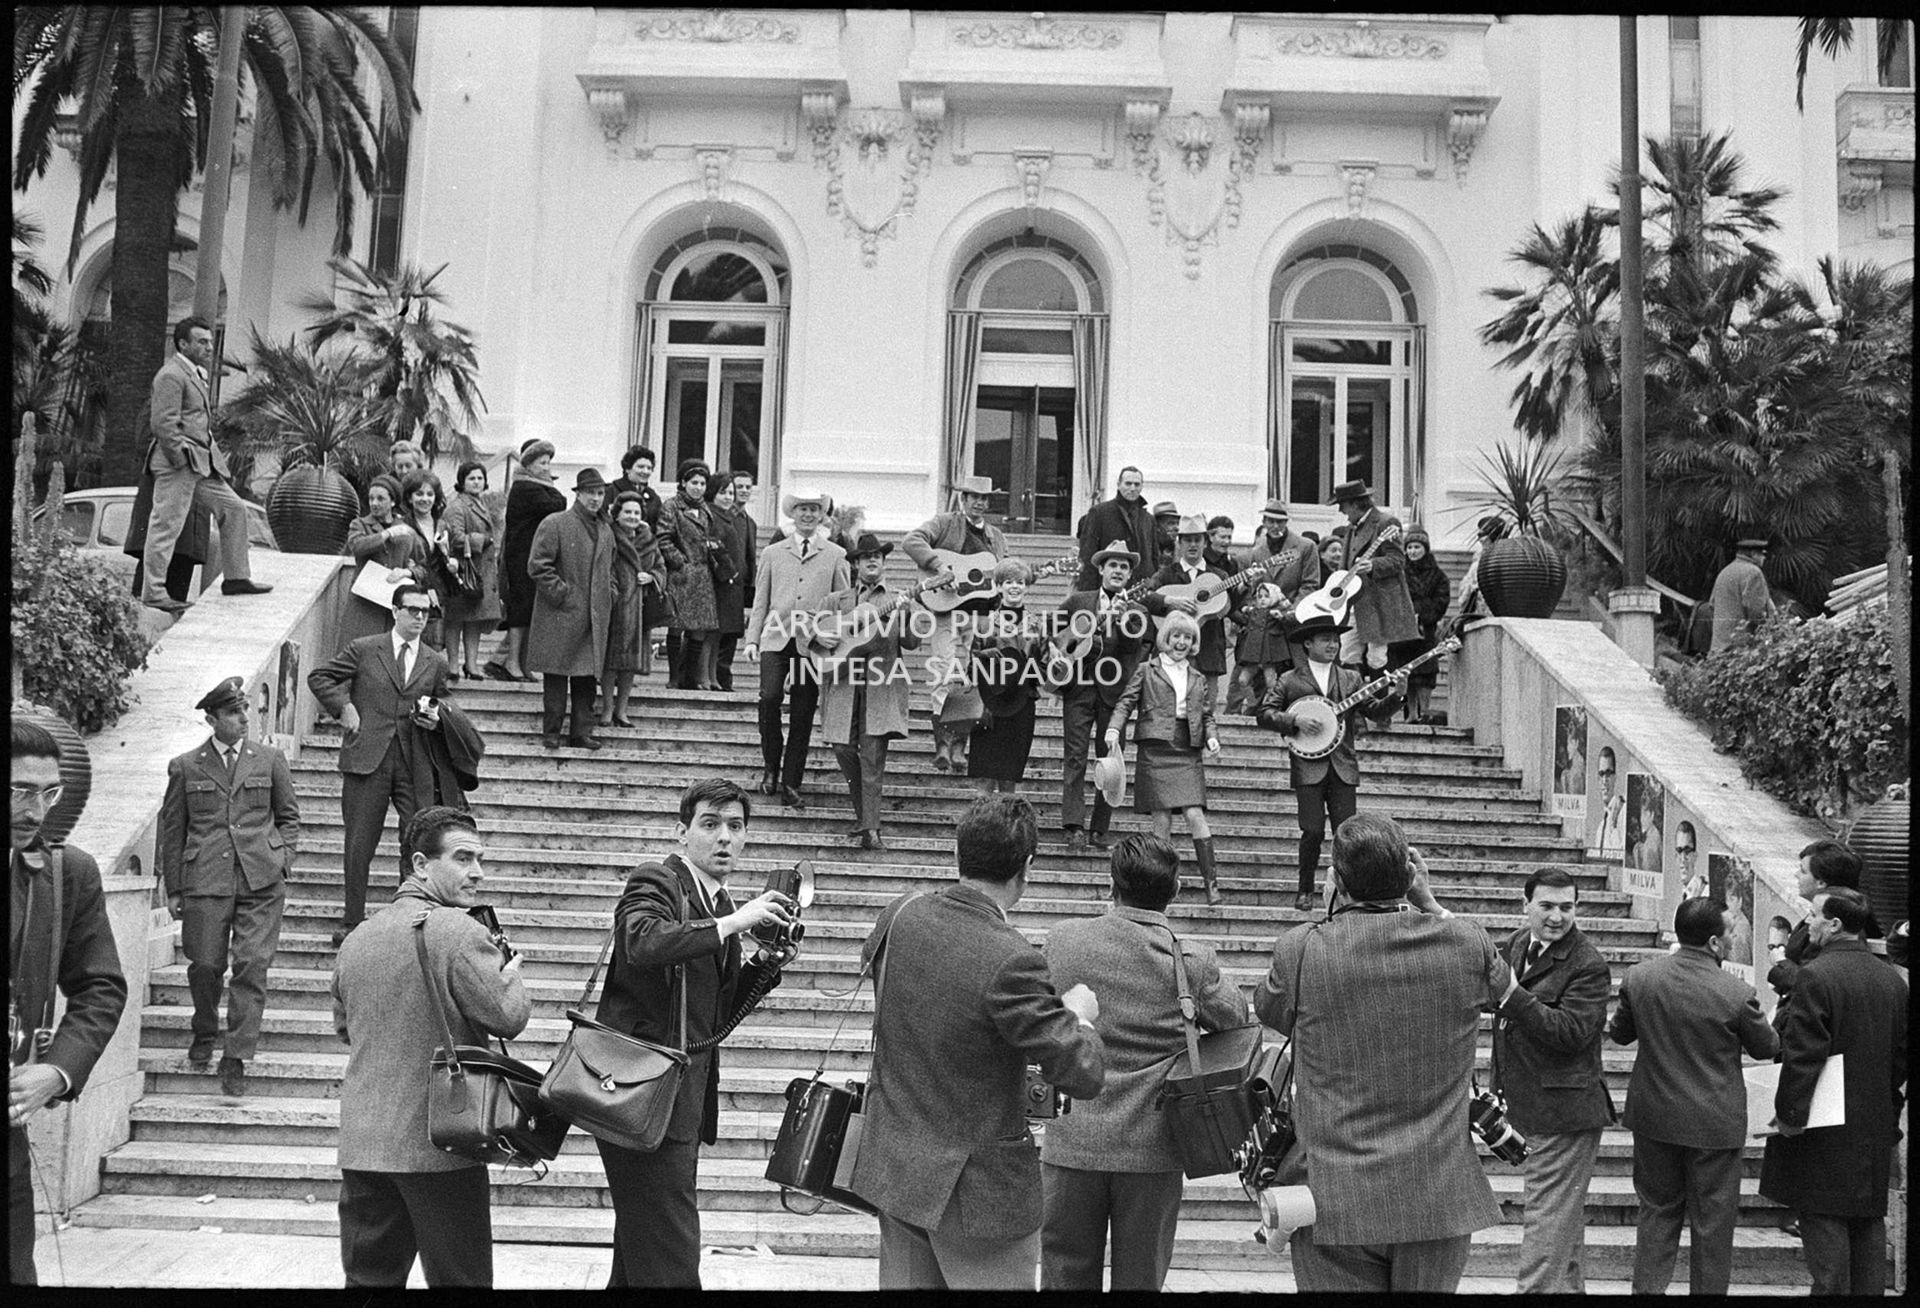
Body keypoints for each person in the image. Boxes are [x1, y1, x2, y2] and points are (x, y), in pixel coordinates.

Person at [1253, 812, 1517, 1293]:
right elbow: (1504, 988)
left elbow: (1271, 1011)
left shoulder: (1303, 949)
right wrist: (1432, 906)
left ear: (1336, 881)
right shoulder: (1465, 942)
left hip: (1334, 1191)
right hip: (1436, 1195)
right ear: (1410, 876)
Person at [852, 795, 1106, 1290]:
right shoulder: (1012, 960)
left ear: (960, 855)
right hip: (977, 1195)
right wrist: (1080, 1017)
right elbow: (1084, 1073)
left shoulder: (900, 914)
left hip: (897, 1170)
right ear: (1026, 867)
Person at [593, 778, 796, 1288]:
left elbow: (714, 1016)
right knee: (672, 1256)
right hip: (638, 1098)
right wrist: (734, 924)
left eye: (735, 826)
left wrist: (764, 966)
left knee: (642, 1252)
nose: (724, 837)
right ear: (683, 832)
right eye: (710, 824)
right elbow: (640, 941)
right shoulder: (657, 882)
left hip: (674, 1104)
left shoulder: (720, 905)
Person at [330, 806, 529, 1288]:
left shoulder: (356, 938)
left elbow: (347, 1030)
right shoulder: (459, 931)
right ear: (420, 864)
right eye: (463, 858)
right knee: (462, 1281)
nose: (477, 872)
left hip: (365, 1146)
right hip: (440, 1144)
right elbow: (508, 1017)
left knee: (368, 1282)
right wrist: (512, 976)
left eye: (480, 859)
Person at [1039, 834, 1247, 1289]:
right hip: (1153, 1147)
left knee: (1063, 1274)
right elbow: (1235, 1019)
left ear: (1111, 885)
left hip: (1073, 1139)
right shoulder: (1188, 958)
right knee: (1142, 1279)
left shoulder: (1064, 941)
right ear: (1174, 891)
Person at [1607, 896, 1779, 1296]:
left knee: (1656, 1214)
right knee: (1713, 1227)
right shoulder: (1737, 992)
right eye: (1731, 934)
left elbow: (1620, 1034)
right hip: (1714, 1125)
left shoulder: (1640, 977)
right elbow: (1766, 1048)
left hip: (1654, 1119)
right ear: (1716, 944)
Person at [9, 718, 129, 1285]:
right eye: (19, 791)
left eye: (48, 793)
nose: (36, 810)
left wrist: (57, 1071)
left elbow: (100, 985)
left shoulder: (66, 871)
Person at [1760, 886, 1908, 1295]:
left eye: (1815, 915)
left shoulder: (1816, 975)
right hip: (1873, 1128)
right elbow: (1900, 1059)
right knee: (1867, 1232)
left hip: (1824, 1131)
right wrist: (1888, 1110)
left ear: (1836, 924)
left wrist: (1789, 1117)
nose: (1809, 923)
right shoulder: (1892, 981)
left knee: (1826, 1252)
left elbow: (1804, 1055)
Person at [158, 677, 298, 1099]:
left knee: (252, 964)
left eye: (246, 711)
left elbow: (289, 816)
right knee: (205, 966)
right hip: (205, 879)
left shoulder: (270, 759)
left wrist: (282, 859)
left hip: (261, 878)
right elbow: (173, 828)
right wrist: (174, 888)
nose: (243, 720)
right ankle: (204, 1027)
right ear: (211, 718)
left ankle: (235, 1055)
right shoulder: (186, 765)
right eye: (234, 713)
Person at [308, 583, 458, 945]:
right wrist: (343, 707)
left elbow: (445, 702)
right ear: (395, 611)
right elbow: (320, 677)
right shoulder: (365, 648)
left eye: (425, 612)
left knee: (416, 841)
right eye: (413, 610)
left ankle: (409, 920)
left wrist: (437, 719)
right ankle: (351, 920)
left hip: (413, 760)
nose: (420, 618)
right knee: (359, 842)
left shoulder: (435, 660)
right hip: (367, 757)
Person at [1490, 867, 1616, 1293]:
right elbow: (1476, 958)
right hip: (1531, 1107)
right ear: (1525, 906)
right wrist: (1431, 905)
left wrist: (1512, 996)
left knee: (1546, 1223)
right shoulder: (1517, 944)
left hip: (1566, 1115)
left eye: (1567, 907)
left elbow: (1570, 1033)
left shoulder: (1589, 965)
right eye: (1546, 906)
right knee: (1561, 1226)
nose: (1557, 916)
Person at [1256, 614, 1406, 912]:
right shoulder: (1289, 679)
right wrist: (1295, 719)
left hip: (1342, 765)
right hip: (1307, 766)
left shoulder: (1350, 677)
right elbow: (1264, 714)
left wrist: (1398, 695)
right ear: (1308, 644)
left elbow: (1374, 712)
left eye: (1336, 640)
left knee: (1346, 834)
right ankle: (1305, 890)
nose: (1333, 644)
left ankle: (1348, 891)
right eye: (1326, 639)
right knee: (1311, 831)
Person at [139, 316, 270, 613]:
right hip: (180, 463)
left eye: (210, 341)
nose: (209, 347)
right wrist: (179, 458)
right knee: (166, 525)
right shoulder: (171, 375)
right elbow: (162, 424)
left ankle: (236, 578)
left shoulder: (193, 374)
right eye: (202, 342)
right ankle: (153, 593)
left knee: (234, 509)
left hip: (201, 463)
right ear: (182, 344)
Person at [1106, 611, 1223, 904]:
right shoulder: (1147, 669)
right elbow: (1125, 702)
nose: (1181, 642)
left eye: (1187, 637)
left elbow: (1207, 714)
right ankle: (1162, 886)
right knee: (1161, 822)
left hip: (1188, 748)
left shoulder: (1197, 677)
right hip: (1156, 748)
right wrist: (1112, 728)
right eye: (1176, 636)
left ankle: (1212, 884)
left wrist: (1212, 737)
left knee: (1195, 815)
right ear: (1166, 639)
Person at [744, 489, 850, 807]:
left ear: (821, 516)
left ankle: (792, 782)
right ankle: (770, 768)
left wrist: (834, 641)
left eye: (814, 510)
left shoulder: (835, 554)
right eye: (802, 509)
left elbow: (843, 605)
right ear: (793, 514)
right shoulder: (774, 552)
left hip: (812, 644)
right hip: (776, 638)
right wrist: (751, 639)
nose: (807, 515)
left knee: (803, 711)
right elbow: (760, 599)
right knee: (769, 697)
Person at [817, 534, 921, 850]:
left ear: (884, 563)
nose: (872, 561)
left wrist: (906, 613)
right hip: (843, 684)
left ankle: (871, 830)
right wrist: (820, 638)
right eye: (866, 558)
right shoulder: (837, 601)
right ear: (856, 564)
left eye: (877, 556)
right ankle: (865, 817)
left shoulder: (898, 598)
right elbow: (810, 629)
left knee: (873, 757)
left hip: (881, 686)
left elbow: (913, 642)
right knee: (842, 748)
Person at [902, 475, 1006, 772]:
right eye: (974, 497)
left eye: (985, 498)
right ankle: (942, 746)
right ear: (963, 499)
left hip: (980, 614)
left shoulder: (996, 537)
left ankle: (960, 747)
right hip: (945, 610)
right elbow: (911, 540)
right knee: (942, 672)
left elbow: (1004, 572)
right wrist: (939, 566)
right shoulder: (945, 522)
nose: (980, 503)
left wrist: (1027, 575)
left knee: (973, 678)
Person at [1053, 540, 1150, 851]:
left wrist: (1121, 620)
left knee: (1111, 760)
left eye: (1124, 567)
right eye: (1113, 565)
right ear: (1101, 569)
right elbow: (1054, 635)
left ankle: (1099, 829)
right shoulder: (1077, 601)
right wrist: (1064, 655)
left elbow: (1131, 649)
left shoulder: (1137, 610)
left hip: (1114, 694)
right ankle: (1073, 826)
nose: (1118, 571)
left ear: (1130, 574)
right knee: (1075, 756)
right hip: (1078, 688)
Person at [525, 468, 614, 749]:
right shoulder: (556, 523)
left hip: (593, 614)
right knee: (556, 675)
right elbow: (538, 565)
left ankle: (580, 733)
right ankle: (551, 732)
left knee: (586, 678)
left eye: (600, 493)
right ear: (578, 494)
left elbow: (610, 569)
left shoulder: (605, 529)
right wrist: (562, 593)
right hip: (560, 614)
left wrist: (609, 592)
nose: (596, 499)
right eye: (590, 493)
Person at [1767, 838, 1876, 1036]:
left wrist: (1781, 963)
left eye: (1802, 871)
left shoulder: (1840, 931)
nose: (1796, 875)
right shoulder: (1819, 919)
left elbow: (1814, 983)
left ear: (1821, 882)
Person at [1226, 499, 1320, 713]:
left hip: (1292, 621)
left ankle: (1299, 711)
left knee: (1298, 671)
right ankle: (1258, 711)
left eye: (1280, 521)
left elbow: (1310, 584)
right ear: (1264, 522)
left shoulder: (1305, 547)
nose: (1275, 526)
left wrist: (1290, 611)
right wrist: (1254, 596)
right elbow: (1248, 595)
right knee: (1253, 674)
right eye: (1271, 521)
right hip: (1263, 626)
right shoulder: (1254, 554)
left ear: (1286, 522)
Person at [968, 560, 1045, 795]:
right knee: (985, 777)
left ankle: (1005, 830)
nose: (1015, 587)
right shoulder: (986, 623)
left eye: (1020, 582)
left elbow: (1043, 664)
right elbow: (972, 664)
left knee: (1009, 777)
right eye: (1009, 582)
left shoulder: (1037, 624)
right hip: (989, 704)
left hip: (1021, 704)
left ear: (1027, 587)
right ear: (998, 586)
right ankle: (981, 829)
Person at [1143, 515, 1234, 708]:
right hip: (1171, 650)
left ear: (1205, 542)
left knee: (1205, 709)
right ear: (1180, 543)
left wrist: (1248, 586)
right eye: (1187, 540)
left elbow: (1231, 607)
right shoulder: (1166, 574)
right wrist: (1170, 601)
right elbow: (1144, 597)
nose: (1192, 545)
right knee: (1167, 706)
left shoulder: (1219, 576)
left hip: (1207, 651)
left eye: (1197, 540)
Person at [1328, 480, 1416, 675]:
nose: (1342, 511)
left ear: (1354, 504)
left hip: (1378, 602)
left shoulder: (1386, 523)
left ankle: (1378, 703)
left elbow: (1398, 560)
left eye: (1342, 506)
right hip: (1353, 601)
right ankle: (1352, 700)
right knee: (1347, 653)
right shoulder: (1351, 527)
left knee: (1377, 658)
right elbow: (1345, 566)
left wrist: (1373, 565)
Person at [496, 439, 566, 682]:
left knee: (530, 611)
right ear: (529, 465)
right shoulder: (526, 487)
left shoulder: (537, 485)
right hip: (521, 556)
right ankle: (512, 661)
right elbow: (557, 503)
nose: (547, 468)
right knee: (520, 609)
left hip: (534, 555)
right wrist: (553, 489)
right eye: (542, 463)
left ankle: (523, 662)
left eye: (548, 463)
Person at [340, 473, 435, 651]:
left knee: (389, 655)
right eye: (371, 498)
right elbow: (357, 546)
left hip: (393, 606)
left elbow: (424, 568)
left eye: (381, 499)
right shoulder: (359, 524)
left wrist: (407, 572)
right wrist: (386, 534)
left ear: (392, 502)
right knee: (358, 651)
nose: (374, 503)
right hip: (364, 602)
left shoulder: (407, 530)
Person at [600, 491, 663, 729]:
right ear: (617, 514)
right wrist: (613, 592)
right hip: (614, 608)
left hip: (639, 609)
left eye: (637, 512)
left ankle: (622, 710)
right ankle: (607, 709)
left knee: (630, 664)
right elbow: (603, 567)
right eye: (627, 511)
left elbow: (661, 566)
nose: (632, 516)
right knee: (610, 662)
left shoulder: (648, 539)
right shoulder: (608, 536)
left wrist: (652, 577)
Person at [656, 460, 721, 689]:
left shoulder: (705, 508)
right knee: (677, 625)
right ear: (683, 483)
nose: (698, 487)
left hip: (703, 575)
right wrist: (680, 562)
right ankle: (674, 677)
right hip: (681, 575)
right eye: (694, 482)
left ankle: (690, 678)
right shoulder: (672, 506)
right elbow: (663, 538)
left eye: (703, 483)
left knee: (699, 629)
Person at [443, 462, 503, 682]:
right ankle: (452, 664)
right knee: (455, 620)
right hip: (461, 571)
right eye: (471, 478)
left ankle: (471, 664)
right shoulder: (457, 506)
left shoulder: (481, 504)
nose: (477, 482)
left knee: (474, 621)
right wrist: (482, 540)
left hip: (479, 572)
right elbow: (453, 536)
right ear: (462, 481)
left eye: (479, 478)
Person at [1388, 525, 1450, 724]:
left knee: (1425, 674)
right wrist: (1405, 614)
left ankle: (1425, 711)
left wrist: (1422, 613)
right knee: (1406, 674)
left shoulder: (1438, 575)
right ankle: (1411, 713)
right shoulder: (1399, 573)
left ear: (1425, 548)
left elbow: (1442, 601)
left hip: (1425, 632)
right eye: (1409, 548)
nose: (1412, 552)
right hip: (1403, 633)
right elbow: (1391, 597)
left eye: (1417, 547)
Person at [704, 474, 753, 691]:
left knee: (720, 635)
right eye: (723, 492)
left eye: (730, 493)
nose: (728, 497)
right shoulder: (711, 517)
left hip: (732, 585)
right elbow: (713, 548)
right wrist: (728, 573)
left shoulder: (734, 519)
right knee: (709, 634)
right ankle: (704, 676)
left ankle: (713, 676)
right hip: (717, 583)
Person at [396, 469, 451, 651]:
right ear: (409, 498)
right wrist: (427, 587)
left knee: (434, 647)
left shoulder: (442, 525)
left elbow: (446, 561)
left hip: (440, 595)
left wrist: (450, 558)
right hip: (412, 592)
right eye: (419, 494)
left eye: (430, 494)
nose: (424, 499)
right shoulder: (402, 525)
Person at [1074, 466, 1156, 590]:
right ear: (1118, 485)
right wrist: (1089, 594)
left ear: (1142, 486)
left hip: (1140, 592)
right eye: (1128, 483)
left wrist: (1151, 586)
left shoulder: (1148, 519)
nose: (1132, 488)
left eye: (1137, 484)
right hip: (1106, 590)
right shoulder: (1099, 513)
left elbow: (1154, 558)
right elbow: (1087, 557)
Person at [717, 470, 759, 689]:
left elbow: (750, 556)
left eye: (747, 487)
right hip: (724, 582)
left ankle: (724, 677)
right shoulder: (725, 516)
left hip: (741, 585)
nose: (743, 491)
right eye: (739, 487)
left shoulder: (749, 522)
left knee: (733, 632)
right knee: (720, 633)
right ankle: (717, 676)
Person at [1707, 535, 1774, 654]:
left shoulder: (1725, 571)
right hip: (1740, 648)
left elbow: (1712, 604)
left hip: (1719, 646)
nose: (1764, 558)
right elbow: (1756, 611)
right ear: (1753, 554)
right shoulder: (1753, 572)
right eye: (1762, 554)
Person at [1591, 746, 1626, 859]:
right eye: (1601, 774)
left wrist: (1613, 823)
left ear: (1615, 777)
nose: (1604, 780)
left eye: (1608, 773)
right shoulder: (1600, 828)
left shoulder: (1622, 813)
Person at [1148, 500, 1181, 574]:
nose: (1177, 528)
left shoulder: (1182, 551)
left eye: (1177, 523)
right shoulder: (1147, 550)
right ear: (1157, 527)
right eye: (1171, 523)